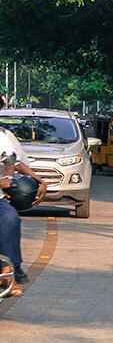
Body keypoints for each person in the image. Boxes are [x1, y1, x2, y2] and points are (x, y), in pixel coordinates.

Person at [0, 123, 48, 298]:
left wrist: (39, 181)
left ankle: (10, 270)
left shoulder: (3, 137)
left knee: (10, 218)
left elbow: (12, 162)